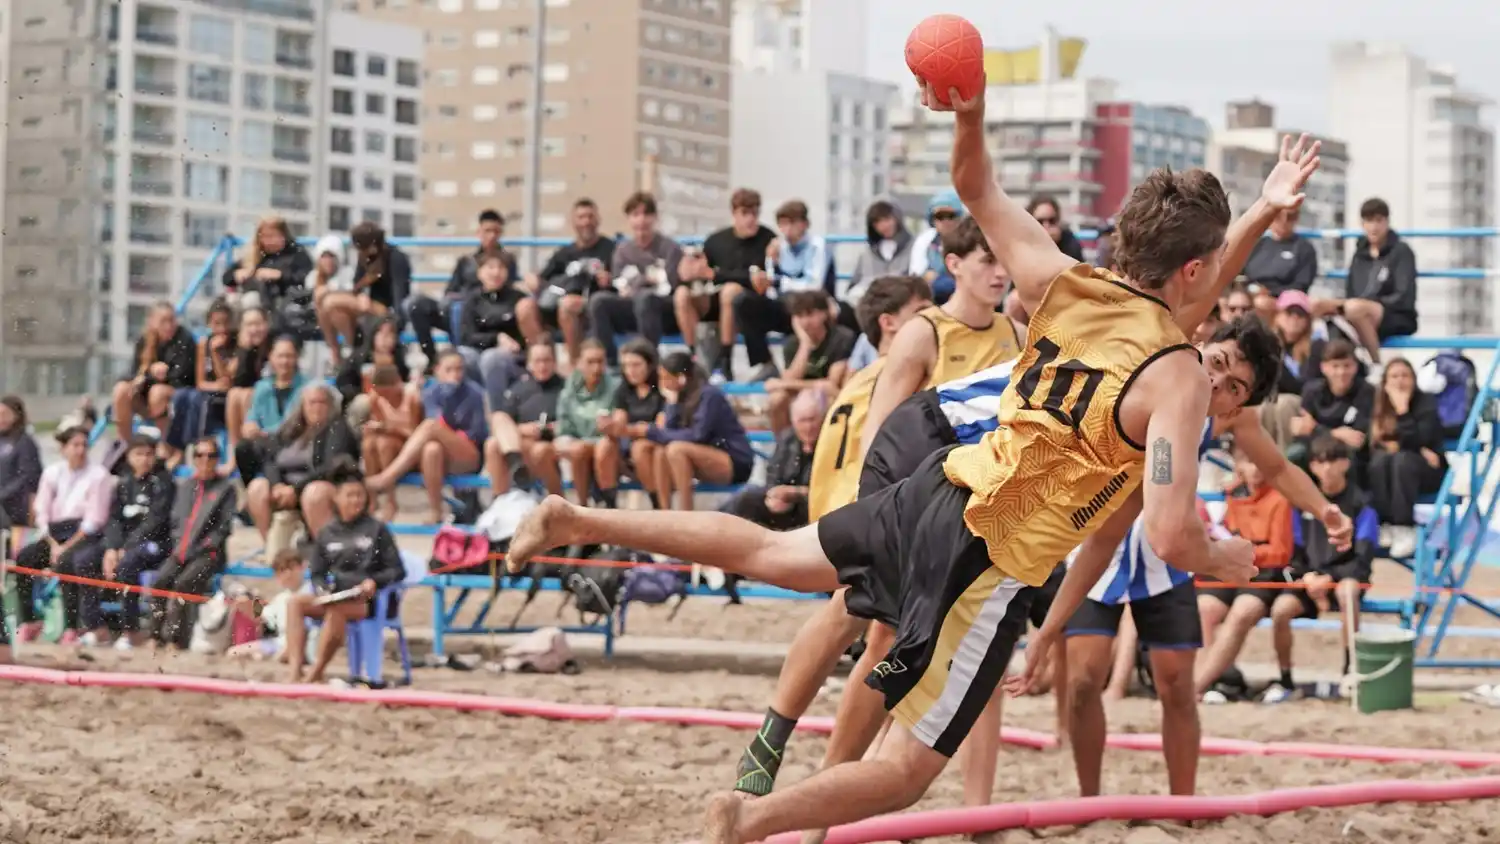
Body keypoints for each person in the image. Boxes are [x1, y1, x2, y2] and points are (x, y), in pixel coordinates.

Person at [499, 76, 1294, 842]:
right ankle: (746, 820)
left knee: (775, 554)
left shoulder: (1064, 281)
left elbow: (976, 188)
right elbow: (1166, 534)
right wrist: (1223, 550)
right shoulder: (1179, 377)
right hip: (990, 560)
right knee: (909, 769)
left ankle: (576, 517)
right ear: (1193, 269)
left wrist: (971, 113)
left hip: (940, 484)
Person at [733, 275, 933, 799]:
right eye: (924, 308)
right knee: (876, 636)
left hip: (851, 509)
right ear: (891, 323)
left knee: (862, 630)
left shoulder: (862, 378)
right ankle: (833, 779)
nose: (935, 317)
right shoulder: (900, 373)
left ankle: (787, 746)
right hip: (875, 513)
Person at [856, 215, 1023, 462]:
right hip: (937, 483)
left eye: (1004, 260)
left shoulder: (1019, 334)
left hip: (997, 486)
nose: (1000, 273)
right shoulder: (922, 334)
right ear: (954, 264)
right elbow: (878, 428)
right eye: (988, 261)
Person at [1262, 435, 1380, 703]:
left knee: (1347, 593)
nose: (1325, 468)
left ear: (1345, 464)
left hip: (1344, 579)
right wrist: (1307, 579)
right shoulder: (1302, 503)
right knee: (1280, 610)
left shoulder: (1362, 506)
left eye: (1332, 461)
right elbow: (1295, 554)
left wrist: (1329, 578)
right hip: (1310, 579)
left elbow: (1362, 559)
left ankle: (1351, 672)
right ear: (1312, 467)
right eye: (1319, 462)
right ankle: (1285, 679)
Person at [283, 469, 406, 684]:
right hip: (337, 594)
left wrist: (374, 582)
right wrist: (322, 588)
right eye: (350, 495)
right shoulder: (327, 532)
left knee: (335, 611)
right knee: (295, 603)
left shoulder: (376, 530)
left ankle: (316, 671)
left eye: (360, 495)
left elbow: (397, 570)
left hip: (368, 600)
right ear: (337, 499)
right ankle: (295, 671)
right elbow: (317, 572)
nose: (356, 500)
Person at [10, 426, 112, 645]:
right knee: (25, 558)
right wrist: (53, 543)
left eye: (84, 445)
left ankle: (71, 626)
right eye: (75, 445)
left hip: (84, 535)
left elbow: (95, 519)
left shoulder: (98, 475)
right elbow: (41, 511)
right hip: (54, 533)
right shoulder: (52, 473)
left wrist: (65, 547)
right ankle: (30, 621)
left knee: (67, 562)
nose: (80, 450)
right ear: (64, 448)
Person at [366, 351, 487, 522]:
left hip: (468, 454)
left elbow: (476, 433)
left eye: (459, 369)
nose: (455, 374)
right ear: (437, 370)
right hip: (443, 451)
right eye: (449, 369)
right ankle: (436, 510)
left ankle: (387, 477)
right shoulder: (431, 392)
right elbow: (438, 424)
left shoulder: (475, 393)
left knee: (430, 426)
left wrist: (450, 435)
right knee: (431, 450)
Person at [676, 188, 778, 381]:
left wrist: (717, 274)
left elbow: (759, 280)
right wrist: (689, 271)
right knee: (681, 295)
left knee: (730, 292)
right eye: (745, 213)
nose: (750, 219)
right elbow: (702, 275)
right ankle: (693, 356)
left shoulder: (767, 239)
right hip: (714, 300)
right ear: (734, 213)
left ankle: (725, 362)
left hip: (747, 303)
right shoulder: (716, 241)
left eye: (754, 213)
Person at [152, 436, 238, 651]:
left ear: (217, 459)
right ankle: (155, 635)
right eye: (199, 455)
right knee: (160, 580)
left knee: (184, 584)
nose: (205, 460)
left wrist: (199, 547)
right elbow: (176, 522)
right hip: (181, 550)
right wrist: (179, 545)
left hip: (208, 554)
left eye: (210, 455)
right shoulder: (186, 486)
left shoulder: (225, 489)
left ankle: (175, 639)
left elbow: (223, 529)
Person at [733, 200, 835, 380]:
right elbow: (772, 291)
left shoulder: (818, 245)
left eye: (792, 223)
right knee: (742, 302)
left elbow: (814, 286)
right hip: (784, 307)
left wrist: (778, 282)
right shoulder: (776, 247)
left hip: (812, 308)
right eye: (783, 224)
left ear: (804, 224)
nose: (787, 229)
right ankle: (764, 362)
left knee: (800, 303)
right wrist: (771, 267)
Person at [406, 209, 519, 371]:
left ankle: (457, 360)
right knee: (417, 304)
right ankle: (432, 359)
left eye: (496, 231)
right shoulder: (466, 262)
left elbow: (506, 293)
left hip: (484, 315)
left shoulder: (507, 262)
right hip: (458, 311)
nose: (492, 235)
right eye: (488, 231)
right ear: (478, 232)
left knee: (461, 308)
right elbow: (450, 291)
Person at [1311, 198, 1418, 364]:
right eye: (1369, 221)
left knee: (1355, 308)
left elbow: (1403, 296)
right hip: (1357, 310)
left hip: (1395, 314)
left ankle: (1376, 364)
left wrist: (1367, 304)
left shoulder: (1401, 252)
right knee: (1316, 305)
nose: (1374, 227)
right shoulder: (1359, 255)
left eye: (1378, 221)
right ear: (1362, 224)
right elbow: (1351, 292)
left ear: (1387, 222)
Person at [246, 383, 360, 540]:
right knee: (256, 487)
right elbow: (270, 458)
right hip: (286, 490)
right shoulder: (291, 428)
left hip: (319, 488)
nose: (317, 407)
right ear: (303, 406)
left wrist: (296, 489)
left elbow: (332, 466)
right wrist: (277, 485)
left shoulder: (338, 428)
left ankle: (324, 550)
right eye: (312, 402)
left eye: (322, 402)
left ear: (330, 406)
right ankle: (271, 549)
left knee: (314, 493)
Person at [645, 352, 756, 511]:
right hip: (703, 457)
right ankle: (664, 512)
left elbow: (698, 435)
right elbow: (668, 433)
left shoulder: (710, 395)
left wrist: (652, 431)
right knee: (660, 451)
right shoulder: (679, 396)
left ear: (681, 378)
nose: (662, 384)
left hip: (733, 461)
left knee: (676, 449)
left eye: (665, 378)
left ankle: (687, 513)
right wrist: (671, 403)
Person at [101, 435, 176, 650]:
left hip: (156, 544)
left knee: (128, 565)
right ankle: (94, 626)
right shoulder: (123, 483)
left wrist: (125, 548)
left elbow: (156, 521)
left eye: (149, 454)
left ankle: (131, 630)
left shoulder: (163, 482)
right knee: (86, 559)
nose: (144, 459)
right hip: (126, 546)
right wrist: (111, 548)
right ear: (129, 457)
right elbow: (113, 519)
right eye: (139, 454)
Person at [588, 191, 681, 364]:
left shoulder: (670, 248)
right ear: (629, 219)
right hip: (633, 306)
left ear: (654, 218)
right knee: (598, 301)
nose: (641, 220)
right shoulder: (622, 251)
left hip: (663, 310)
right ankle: (610, 364)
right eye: (635, 214)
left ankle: (648, 362)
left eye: (646, 214)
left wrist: (638, 281)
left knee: (645, 298)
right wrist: (647, 279)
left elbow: (667, 286)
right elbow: (622, 285)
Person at [1366, 357, 1445, 558]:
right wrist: (1416, 448)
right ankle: (1385, 523)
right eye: (1394, 376)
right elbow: (1373, 443)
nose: (1400, 381)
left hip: (1427, 471)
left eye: (1405, 375)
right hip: (1390, 468)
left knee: (1402, 460)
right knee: (1380, 461)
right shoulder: (1377, 405)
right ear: (1385, 382)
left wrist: (1403, 411)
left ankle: (1404, 527)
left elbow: (1425, 437)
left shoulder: (1425, 402)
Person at [724, 389, 822, 531]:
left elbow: (830, 489)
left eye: (812, 419)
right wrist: (775, 495)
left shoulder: (830, 443)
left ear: (821, 419)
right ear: (794, 421)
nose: (808, 426)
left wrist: (795, 493)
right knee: (746, 499)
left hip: (811, 506)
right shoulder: (787, 439)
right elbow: (772, 475)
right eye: (803, 420)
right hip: (784, 505)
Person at [533, 197, 616, 364]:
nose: (586, 222)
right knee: (525, 308)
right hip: (562, 303)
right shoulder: (564, 253)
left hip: (597, 306)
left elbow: (621, 279)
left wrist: (609, 279)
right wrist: (533, 280)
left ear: (598, 220)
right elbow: (542, 277)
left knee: (567, 305)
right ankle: (545, 365)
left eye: (590, 216)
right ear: (573, 222)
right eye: (581, 217)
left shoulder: (610, 248)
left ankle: (575, 366)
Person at [763, 290, 857, 433]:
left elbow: (832, 384)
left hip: (830, 395)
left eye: (810, 314)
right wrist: (805, 344)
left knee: (829, 400)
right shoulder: (793, 344)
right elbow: (791, 380)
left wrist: (786, 383)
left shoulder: (842, 338)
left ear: (824, 314)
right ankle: (784, 447)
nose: (805, 322)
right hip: (804, 393)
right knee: (777, 399)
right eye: (800, 316)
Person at [316, 222, 412, 359]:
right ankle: (343, 351)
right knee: (331, 308)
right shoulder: (366, 257)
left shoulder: (396, 258)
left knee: (330, 301)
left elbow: (400, 296)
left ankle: (348, 349)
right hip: (368, 305)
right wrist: (361, 293)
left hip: (387, 311)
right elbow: (357, 285)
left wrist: (395, 325)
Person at [458, 253, 542, 409]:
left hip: (511, 359)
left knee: (492, 358)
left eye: (501, 267)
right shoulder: (472, 300)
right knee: (463, 355)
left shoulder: (518, 298)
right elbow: (467, 337)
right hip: (480, 353)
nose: (496, 272)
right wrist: (496, 338)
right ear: (479, 272)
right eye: (490, 267)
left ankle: (497, 413)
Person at [110, 302, 196, 446]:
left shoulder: (184, 339)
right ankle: (125, 445)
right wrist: (146, 376)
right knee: (121, 389)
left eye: (172, 320)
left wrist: (156, 375)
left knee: (158, 393)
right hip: (148, 393)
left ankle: (166, 446)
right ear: (152, 321)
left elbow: (181, 377)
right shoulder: (144, 340)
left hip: (179, 391)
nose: (169, 325)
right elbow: (134, 371)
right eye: (163, 321)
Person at [547, 340, 620, 508]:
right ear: (578, 363)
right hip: (577, 445)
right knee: (576, 450)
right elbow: (564, 427)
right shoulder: (568, 390)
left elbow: (617, 424)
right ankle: (582, 506)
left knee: (601, 447)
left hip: (608, 446)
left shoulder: (615, 387)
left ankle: (607, 505)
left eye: (600, 361)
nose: (596, 367)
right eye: (590, 362)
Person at [232, 337, 308, 482]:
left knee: (268, 445)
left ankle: (275, 489)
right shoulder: (262, 386)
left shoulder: (306, 388)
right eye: (280, 356)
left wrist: (266, 433)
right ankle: (251, 491)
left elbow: (297, 425)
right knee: (243, 448)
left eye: (289, 356)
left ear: (297, 358)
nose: (284, 361)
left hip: (293, 441)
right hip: (264, 442)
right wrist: (250, 426)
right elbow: (252, 416)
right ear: (271, 358)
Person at [167, 299, 237, 454]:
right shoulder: (203, 344)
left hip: (225, 398)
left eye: (226, 323)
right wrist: (214, 385)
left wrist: (215, 353)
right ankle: (176, 448)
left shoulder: (236, 345)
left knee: (198, 400)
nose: (222, 328)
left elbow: (226, 380)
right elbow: (200, 382)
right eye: (217, 323)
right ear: (209, 324)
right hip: (209, 390)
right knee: (181, 397)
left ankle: (195, 446)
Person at [359, 364, 425, 522]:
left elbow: (417, 435)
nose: (385, 397)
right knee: (368, 444)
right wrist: (375, 429)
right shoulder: (376, 398)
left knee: (384, 445)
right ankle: (372, 499)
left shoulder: (412, 398)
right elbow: (381, 424)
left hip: (410, 448)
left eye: (387, 393)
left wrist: (390, 429)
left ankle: (391, 500)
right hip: (388, 441)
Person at [599, 339, 666, 494]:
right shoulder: (624, 389)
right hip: (628, 447)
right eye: (626, 366)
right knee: (605, 445)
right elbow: (619, 422)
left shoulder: (661, 388)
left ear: (650, 365)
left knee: (640, 448)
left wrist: (628, 430)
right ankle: (609, 503)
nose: (630, 371)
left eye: (636, 365)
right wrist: (609, 425)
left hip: (656, 446)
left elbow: (660, 428)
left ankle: (656, 501)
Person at [226, 548, 310, 663]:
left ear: (302, 567)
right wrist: (247, 605)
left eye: (292, 568)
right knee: (234, 652)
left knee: (270, 656)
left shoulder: (310, 592)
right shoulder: (281, 598)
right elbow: (262, 617)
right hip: (277, 643)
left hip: (300, 645)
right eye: (283, 570)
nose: (288, 574)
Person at [220, 216, 314, 312]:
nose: (269, 241)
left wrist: (280, 276)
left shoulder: (296, 253)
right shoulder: (254, 255)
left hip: (286, 301)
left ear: (284, 235)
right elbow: (226, 278)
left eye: (273, 236)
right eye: (265, 237)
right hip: (255, 300)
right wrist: (236, 274)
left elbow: (306, 277)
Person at [1242, 206, 1318, 320]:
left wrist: (1270, 292)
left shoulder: (1304, 248)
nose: (1284, 221)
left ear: (1296, 218)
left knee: (1260, 303)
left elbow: (1301, 285)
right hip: (1251, 293)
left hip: (1283, 299)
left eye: (1290, 217)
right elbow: (1242, 273)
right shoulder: (1257, 245)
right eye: (1278, 216)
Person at [225, 306, 273, 453]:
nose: (254, 329)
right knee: (234, 393)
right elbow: (240, 381)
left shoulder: (273, 344)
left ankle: (251, 449)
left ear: (266, 324)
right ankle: (235, 450)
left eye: (258, 324)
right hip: (251, 392)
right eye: (249, 325)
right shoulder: (246, 348)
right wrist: (245, 350)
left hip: (273, 393)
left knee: (247, 394)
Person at [908, 191, 965, 303]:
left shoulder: (969, 240)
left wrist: (936, 279)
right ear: (932, 219)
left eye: (950, 216)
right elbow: (917, 277)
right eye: (940, 216)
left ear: (959, 217)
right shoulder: (925, 241)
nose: (945, 221)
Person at [0, 395, 43, 534]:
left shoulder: (24, 442)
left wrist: (4, 493)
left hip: (16, 507)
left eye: (5, 414)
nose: (1, 418)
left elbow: (28, 476)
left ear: (17, 415)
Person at [1026, 195, 1086, 262]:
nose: (1046, 226)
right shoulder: (1024, 247)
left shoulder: (1070, 243)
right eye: (1040, 221)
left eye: (1052, 221)